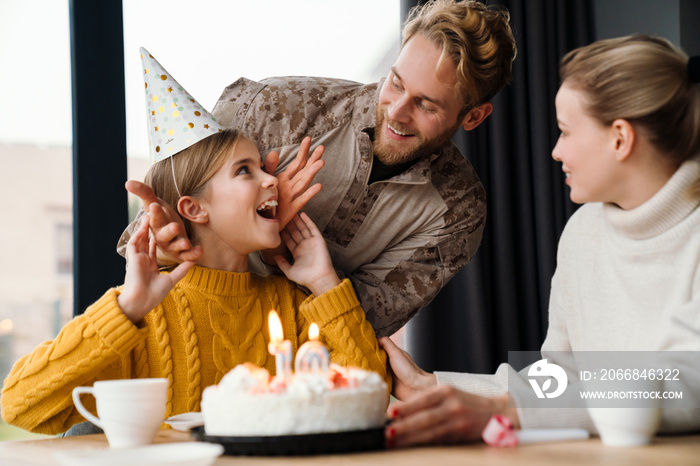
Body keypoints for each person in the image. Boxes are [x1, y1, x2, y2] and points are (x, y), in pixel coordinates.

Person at [0, 51, 389, 436]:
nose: (272, 181)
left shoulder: (292, 305)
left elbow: (369, 398)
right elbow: (20, 405)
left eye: (262, 168)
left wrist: (323, 282)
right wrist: (127, 307)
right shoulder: (144, 317)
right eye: (245, 171)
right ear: (195, 209)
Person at [119, 0, 518, 337]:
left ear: (474, 117)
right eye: (395, 83)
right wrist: (166, 245)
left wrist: (278, 249)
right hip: (171, 333)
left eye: (427, 105)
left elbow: (354, 330)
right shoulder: (277, 106)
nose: (397, 112)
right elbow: (144, 234)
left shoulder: (457, 211)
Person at [378, 34, 700, 447]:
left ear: (620, 138)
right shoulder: (583, 232)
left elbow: (686, 384)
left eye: (566, 132)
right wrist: (433, 385)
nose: (554, 151)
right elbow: (560, 378)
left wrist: (512, 410)